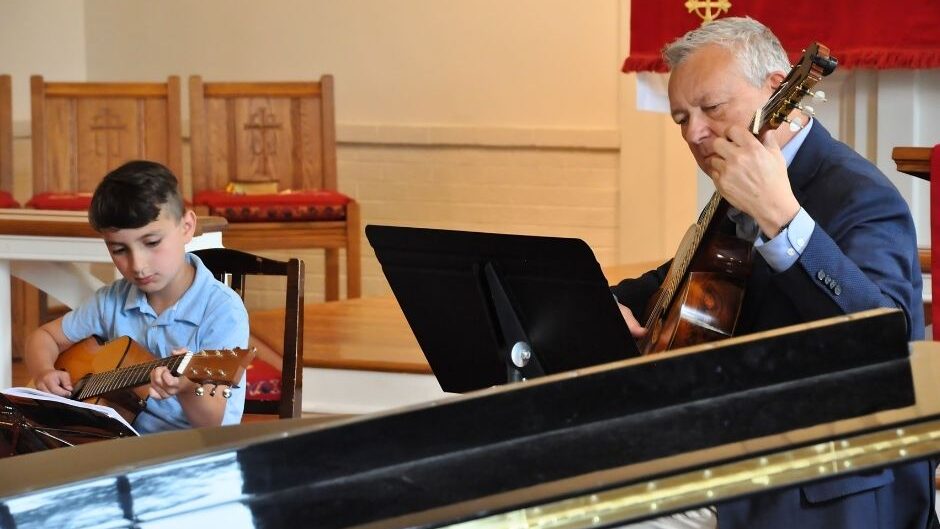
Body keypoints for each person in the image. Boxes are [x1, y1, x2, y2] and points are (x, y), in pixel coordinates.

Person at [612, 17, 935, 529]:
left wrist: (781, 217)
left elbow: (886, 341)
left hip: (817, 483)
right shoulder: (730, 193)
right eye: (681, 118)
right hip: (721, 452)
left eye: (712, 108)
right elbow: (682, 275)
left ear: (777, 88)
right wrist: (612, 303)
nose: (695, 133)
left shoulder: (861, 194)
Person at [24, 160, 250, 434]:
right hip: (116, 444)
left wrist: (187, 387)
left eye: (152, 243)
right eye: (119, 249)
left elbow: (210, 424)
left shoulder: (222, 310)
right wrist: (44, 372)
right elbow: (43, 337)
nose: (138, 265)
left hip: (194, 452)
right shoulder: (112, 301)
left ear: (187, 227)